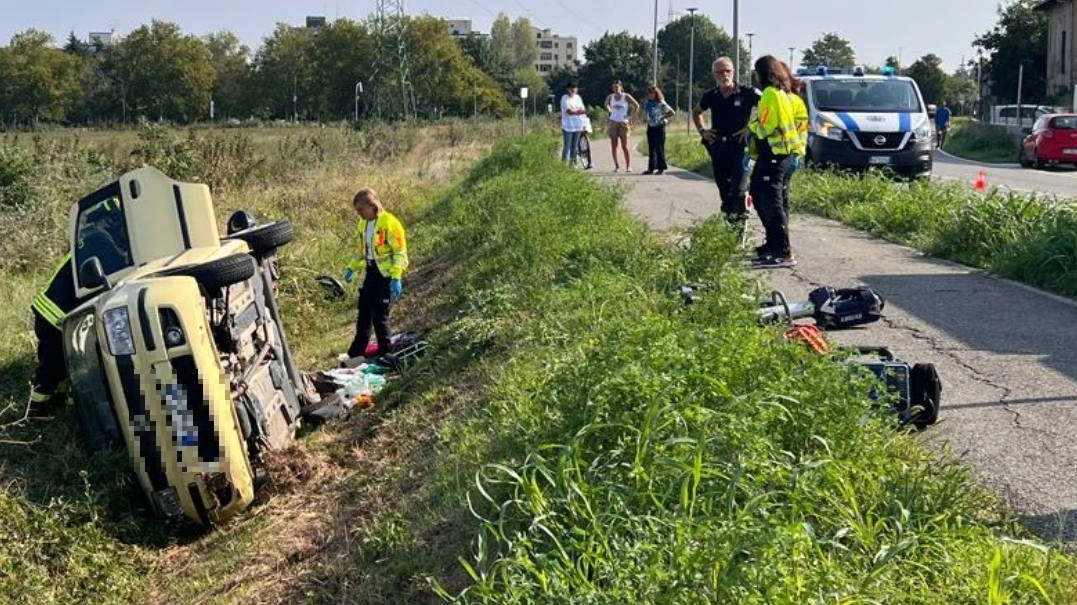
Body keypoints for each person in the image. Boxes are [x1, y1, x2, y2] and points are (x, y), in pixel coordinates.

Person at [747, 55, 804, 268]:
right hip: (779, 154)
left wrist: (752, 129)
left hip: (774, 154)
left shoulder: (771, 93)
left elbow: (767, 125)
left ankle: (782, 250)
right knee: (764, 195)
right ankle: (772, 245)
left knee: (770, 200)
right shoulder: (782, 93)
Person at [693, 56, 761, 229]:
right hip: (719, 147)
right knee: (724, 191)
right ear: (713, 74)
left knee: (738, 190)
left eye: (727, 71)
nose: (724, 75)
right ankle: (730, 227)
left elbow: (768, 110)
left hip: (741, 147)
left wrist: (751, 128)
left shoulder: (747, 93)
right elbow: (697, 112)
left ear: (734, 72)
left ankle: (741, 224)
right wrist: (703, 131)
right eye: (720, 72)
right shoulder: (712, 95)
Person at [344, 188, 409, 359]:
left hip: (386, 275)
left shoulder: (390, 223)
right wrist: (352, 267)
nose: (359, 214)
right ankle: (356, 353)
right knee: (364, 311)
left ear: (372, 205)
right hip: (371, 271)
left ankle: (386, 352)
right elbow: (362, 251)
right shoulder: (363, 224)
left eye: (361, 210)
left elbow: (399, 252)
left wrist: (396, 277)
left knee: (379, 314)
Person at [604, 80, 640, 173]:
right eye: (614, 87)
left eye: (617, 87)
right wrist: (609, 109)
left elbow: (636, 105)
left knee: (625, 146)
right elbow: (606, 104)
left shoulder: (626, 96)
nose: (615, 89)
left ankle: (628, 166)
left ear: (621, 87)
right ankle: (616, 166)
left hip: (623, 123)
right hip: (613, 122)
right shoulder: (610, 97)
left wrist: (631, 117)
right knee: (614, 145)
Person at [642, 85, 676, 175]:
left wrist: (663, 117)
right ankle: (651, 168)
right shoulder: (648, 103)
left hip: (659, 127)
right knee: (651, 148)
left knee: (659, 147)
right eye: (649, 93)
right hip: (650, 126)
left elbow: (672, 112)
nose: (650, 95)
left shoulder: (661, 103)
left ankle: (661, 167)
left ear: (656, 94)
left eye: (652, 93)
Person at [560, 80, 588, 165]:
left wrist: (577, 111)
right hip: (568, 126)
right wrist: (578, 111)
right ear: (568, 89)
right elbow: (569, 111)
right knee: (567, 146)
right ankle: (563, 164)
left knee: (574, 146)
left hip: (577, 125)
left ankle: (573, 163)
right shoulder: (565, 98)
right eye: (571, 88)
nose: (573, 89)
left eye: (575, 88)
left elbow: (583, 110)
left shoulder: (578, 98)